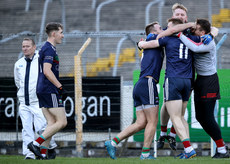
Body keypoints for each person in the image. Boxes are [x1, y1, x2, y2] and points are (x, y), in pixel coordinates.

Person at [138, 18, 202, 159]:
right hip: (187, 81)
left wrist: (140, 44)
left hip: (173, 80)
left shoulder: (167, 39)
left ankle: (188, 149)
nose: (166, 30)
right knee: (180, 117)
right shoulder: (192, 38)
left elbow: (150, 44)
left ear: (175, 28)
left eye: (169, 27)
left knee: (175, 117)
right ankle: (185, 148)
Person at [167, 18, 229, 158]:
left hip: (209, 81)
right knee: (200, 117)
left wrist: (180, 35)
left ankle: (222, 149)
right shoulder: (198, 36)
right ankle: (221, 149)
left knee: (208, 117)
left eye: (196, 28)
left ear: (202, 31)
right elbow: (210, 29)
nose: (192, 29)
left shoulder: (208, 42)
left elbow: (195, 48)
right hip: (199, 80)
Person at [105, 22, 164, 160]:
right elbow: (165, 33)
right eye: (160, 28)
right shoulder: (151, 38)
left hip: (140, 84)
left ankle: (113, 142)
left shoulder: (150, 42)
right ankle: (145, 154)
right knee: (153, 121)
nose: (162, 30)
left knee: (141, 122)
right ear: (153, 32)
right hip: (148, 83)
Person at [27, 22, 67, 159]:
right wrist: (60, 86)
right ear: (54, 34)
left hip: (42, 89)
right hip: (49, 89)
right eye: (61, 32)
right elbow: (47, 71)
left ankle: (43, 154)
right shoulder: (49, 49)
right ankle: (35, 144)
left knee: (51, 123)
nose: (62, 35)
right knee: (62, 122)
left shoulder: (46, 48)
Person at [14, 38, 57, 160]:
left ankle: (51, 147)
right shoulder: (18, 64)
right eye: (23, 46)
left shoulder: (41, 59)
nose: (25, 48)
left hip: (38, 101)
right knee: (26, 129)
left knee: (42, 127)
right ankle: (29, 154)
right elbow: (18, 82)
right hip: (24, 102)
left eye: (27, 46)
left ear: (34, 47)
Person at [157, 3, 189, 151]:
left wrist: (211, 34)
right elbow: (154, 38)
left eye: (182, 15)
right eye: (177, 15)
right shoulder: (166, 33)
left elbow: (211, 30)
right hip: (174, 75)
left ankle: (172, 135)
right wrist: (142, 43)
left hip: (189, 77)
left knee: (181, 113)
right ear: (172, 17)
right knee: (168, 104)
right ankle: (164, 133)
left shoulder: (192, 31)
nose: (180, 17)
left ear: (186, 18)